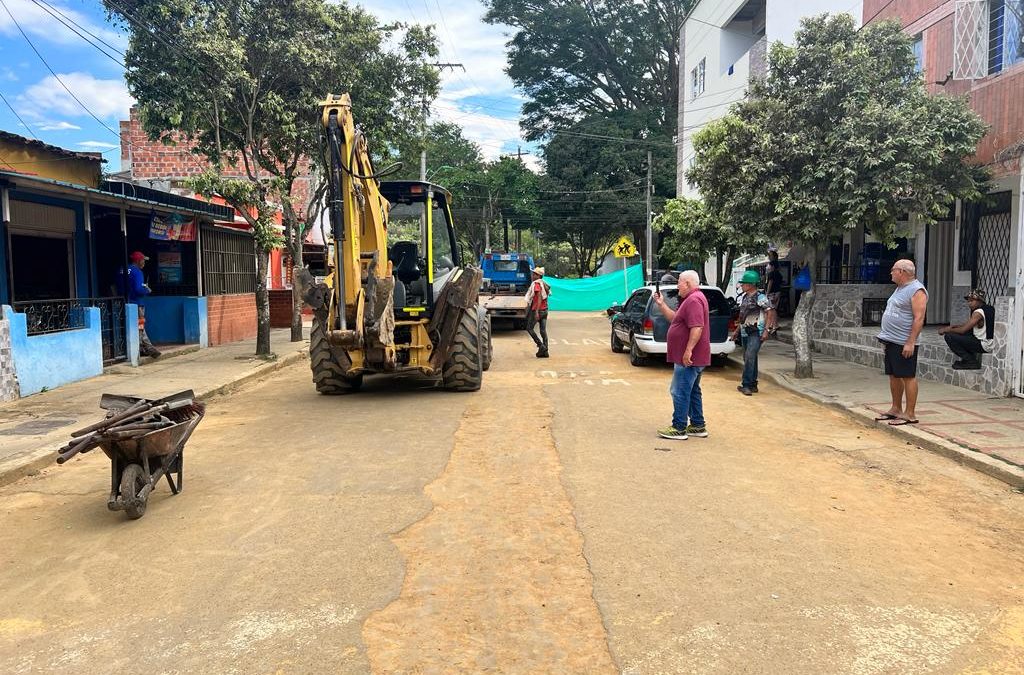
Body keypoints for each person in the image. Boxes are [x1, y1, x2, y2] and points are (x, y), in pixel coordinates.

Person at [652, 270, 710, 440]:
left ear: (688, 284)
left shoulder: (693, 300)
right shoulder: (690, 300)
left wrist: (688, 350)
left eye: (679, 282)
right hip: (693, 357)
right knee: (692, 391)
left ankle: (679, 427)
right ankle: (698, 425)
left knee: (679, 391)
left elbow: (697, 327)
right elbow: (675, 318)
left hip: (690, 358)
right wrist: (661, 304)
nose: (677, 285)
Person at [875, 259, 927, 426]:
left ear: (902, 272)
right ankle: (896, 408)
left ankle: (910, 413)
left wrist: (910, 342)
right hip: (891, 339)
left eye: (893, 270)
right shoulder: (900, 288)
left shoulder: (916, 290)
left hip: (904, 341)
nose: (891, 272)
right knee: (894, 375)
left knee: (907, 376)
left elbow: (919, 318)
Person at [733, 270, 770, 395]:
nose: (742, 286)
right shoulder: (745, 297)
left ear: (750, 285)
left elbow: (770, 312)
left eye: (743, 284)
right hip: (745, 332)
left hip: (756, 332)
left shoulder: (760, 297)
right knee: (749, 358)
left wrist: (766, 330)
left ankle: (746, 384)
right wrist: (737, 331)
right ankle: (753, 383)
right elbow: (742, 317)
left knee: (749, 356)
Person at [118, 251, 161, 358]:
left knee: (131, 326)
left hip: (122, 302)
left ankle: (143, 348)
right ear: (138, 261)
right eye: (143, 261)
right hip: (136, 303)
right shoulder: (137, 272)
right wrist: (147, 290)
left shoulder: (122, 269)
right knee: (140, 325)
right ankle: (147, 348)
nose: (144, 263)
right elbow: (138, 289)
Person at [937, 289, 994, 370]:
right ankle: (968, 359)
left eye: (972, 301)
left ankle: (971, 361)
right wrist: (953, 327)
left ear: (980, 301)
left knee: (949, 336)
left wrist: (946, 330)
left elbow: (963, 330)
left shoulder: (978, 312)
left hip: (985, 344)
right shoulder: (989, 308)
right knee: (963, 333)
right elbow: (966, 326)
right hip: (989, 343)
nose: (969, 303)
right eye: (968, 301)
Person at [524, 266, 551, 358]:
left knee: (529, 328)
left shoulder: (536, 285)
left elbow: (539, 297)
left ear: (538, 276)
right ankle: (545, 351)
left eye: (534, 274)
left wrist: (536, 312)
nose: (532, 275)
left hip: (538, 310)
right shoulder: (545, 284)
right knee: (543, 330)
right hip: (545, 310)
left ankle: (541, 346)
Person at [764, 248, 784, 336]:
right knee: (773, 308)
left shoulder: (771, 273)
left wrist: (767, 293)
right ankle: (773, 324)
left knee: (771, 309)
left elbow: (770, 283)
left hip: (772, 292)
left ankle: (774, 325)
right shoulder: (779, 274)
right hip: (778, 291)